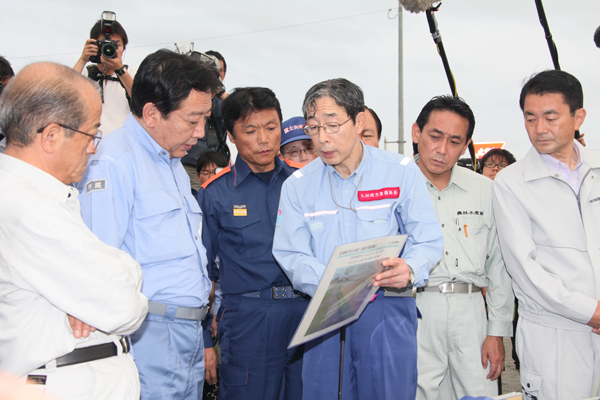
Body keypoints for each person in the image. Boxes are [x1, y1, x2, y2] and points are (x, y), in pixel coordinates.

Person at [272, 78, 444, 400]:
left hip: (387, 310)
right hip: (327, 312)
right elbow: (291, 254)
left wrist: (409, 267)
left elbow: (429, 240)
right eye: (313, 128)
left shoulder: (401, 172)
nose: (322, 138)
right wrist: (334, 282)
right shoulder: (297, 186)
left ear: (359, 121)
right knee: (323, 392)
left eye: (332, 125)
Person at [77, 49, 221, 400]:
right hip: (147, 333)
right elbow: (99, 262)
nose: (201, 132)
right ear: (152, 113)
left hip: (186, 331)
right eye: (192, 120)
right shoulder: (113, 161)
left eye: (204, 118)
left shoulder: (169, 161)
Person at [0, 62, 148, 399]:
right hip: (64, 382)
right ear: (51, 136)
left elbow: (104, 293)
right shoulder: (28, 207)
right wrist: (117, 280)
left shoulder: (38, 197)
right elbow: (124, 306)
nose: (94, 147)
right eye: (92, 133)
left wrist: (87, 295)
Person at [493, 69, 600, 400]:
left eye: (550, 117)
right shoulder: (511, 183)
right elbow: (526, 271)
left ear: (578, 116)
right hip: (555, 335)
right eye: (530, 118)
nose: (539, 129)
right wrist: (591, 312)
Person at [197, 87, 308, 400]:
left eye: (271, 128)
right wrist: (206, 339)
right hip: (249, 319)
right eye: (250, 130)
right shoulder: (215, 194)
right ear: (232, 135)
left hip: (306, 312)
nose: (263, 139)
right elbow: (202, 272)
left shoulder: (304, 183)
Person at [411, 96, 514, 400]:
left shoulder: (485, 190)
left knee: (477, 392)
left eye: (455, 141)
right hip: (416, 309)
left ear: (466, 144)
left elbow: (499, 265)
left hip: (472, 313)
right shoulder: (397, 186)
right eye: (435, 136)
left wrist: (497, 332)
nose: (442, 149)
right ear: (417, 132)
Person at [73, 17, 134, 135]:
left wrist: (120, 70)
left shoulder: (132, 72)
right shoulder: (85, 73)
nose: (110, 49)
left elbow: (142, 101)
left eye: (116, 45)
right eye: (104, 45)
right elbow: (62, 95)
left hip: (122, 147)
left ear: (124, 48)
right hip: (89, 148)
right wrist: (83, 59)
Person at [182, 51, 229, 191]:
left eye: (221, 71)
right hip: (191, 167)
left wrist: (221, 93)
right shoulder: (183, 99)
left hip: (218, 167)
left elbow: (241, 112)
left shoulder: (221, 102)